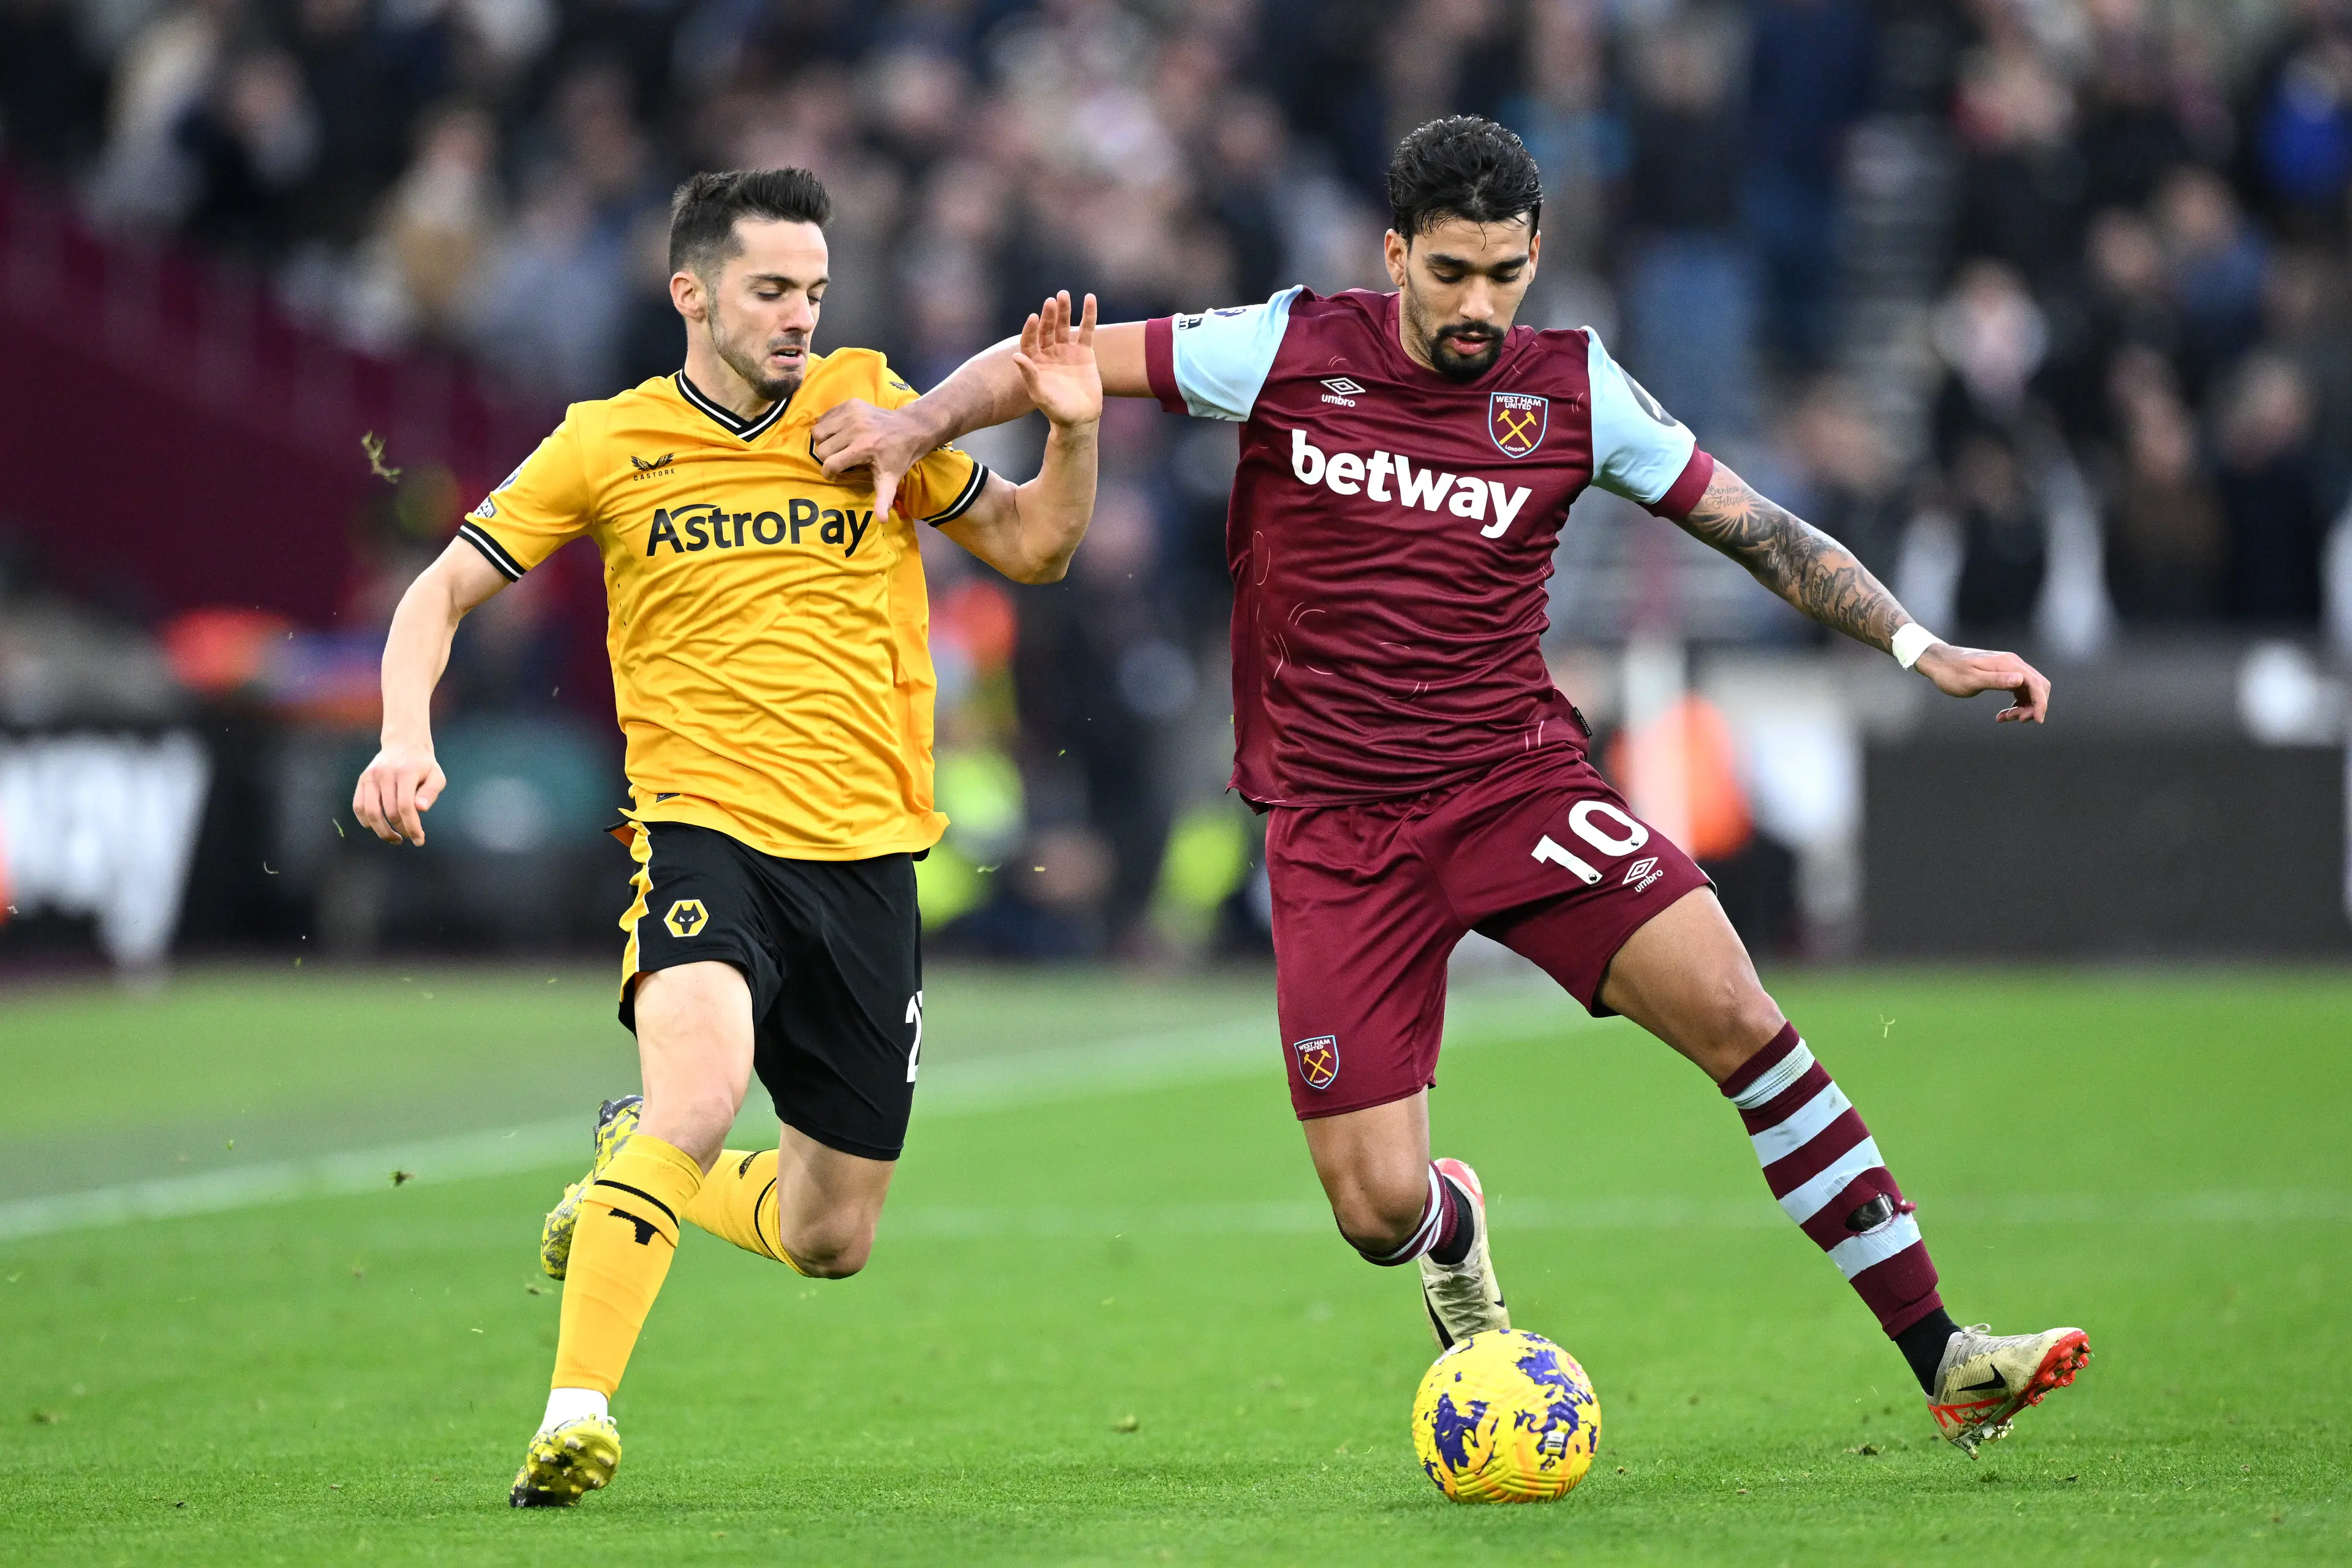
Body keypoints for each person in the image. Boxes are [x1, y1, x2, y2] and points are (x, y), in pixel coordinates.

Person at [816, 117, 2088, 1457]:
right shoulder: (1286, 348)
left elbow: (1758, 526)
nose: (1480, 305)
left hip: (1511, 786)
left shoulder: (1576, 388)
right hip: (1336, 831)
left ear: (1536, 257)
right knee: (1374, 1211)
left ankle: (1943, 1347)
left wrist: (1918, 645)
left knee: (1736, 1009)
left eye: (1506, 273)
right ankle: (1452, 1224)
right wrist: (914, 418)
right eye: (1451, 273)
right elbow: (1049, 363)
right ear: (1394, 256)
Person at [352, 167, 1106, 1506]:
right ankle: (573, 1411)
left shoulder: (870, 417)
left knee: (833, 1234)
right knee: (699, 1097)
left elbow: (1037, 546)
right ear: (690, 293)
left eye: (815, 291)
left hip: (871, 858)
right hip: (706, 834)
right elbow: (442, 585)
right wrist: (406, 731)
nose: (800, 317)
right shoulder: (607, 441)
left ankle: (624, 1158)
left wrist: (1076, 434)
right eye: (771, 290)